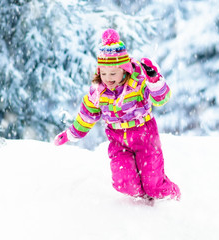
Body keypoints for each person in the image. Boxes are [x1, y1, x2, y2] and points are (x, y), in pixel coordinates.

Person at [54, 29, 180, 201]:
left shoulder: (138, 82)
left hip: (145, 136)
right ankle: (146, 203)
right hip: (118, 140)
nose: (108, 78)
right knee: (124, 183)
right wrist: (71, 134)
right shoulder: (99, 92)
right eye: (103, 73)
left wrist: (153, 79)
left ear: (125, 70)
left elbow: (161, 98)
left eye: (113, 73)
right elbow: (87, 115)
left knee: (154, 185)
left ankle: (172, 198)